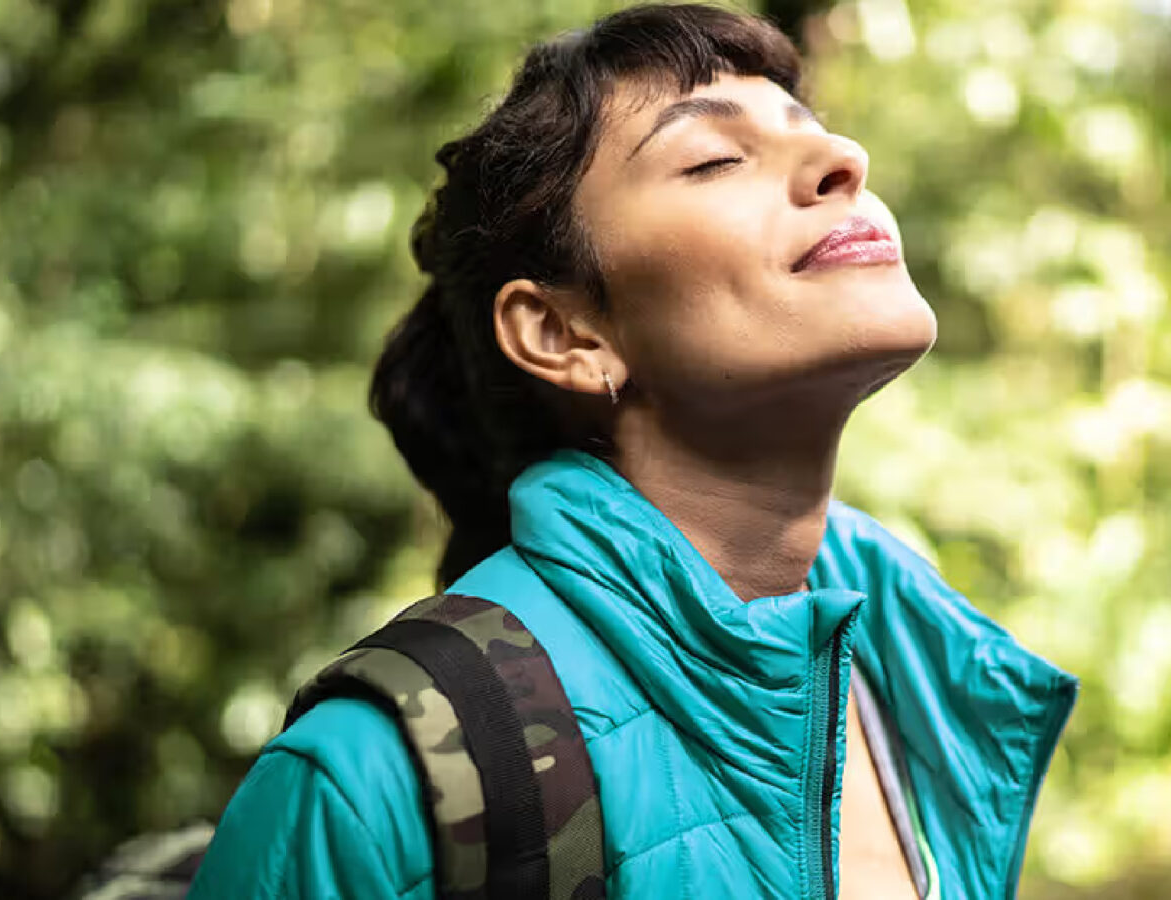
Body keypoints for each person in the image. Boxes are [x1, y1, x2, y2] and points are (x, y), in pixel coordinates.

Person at [188, 4, 1076, 898]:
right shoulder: (370, 783)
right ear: (564, 333)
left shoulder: (920, 678)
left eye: (814, 132)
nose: (845, 160)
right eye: (715, 159)